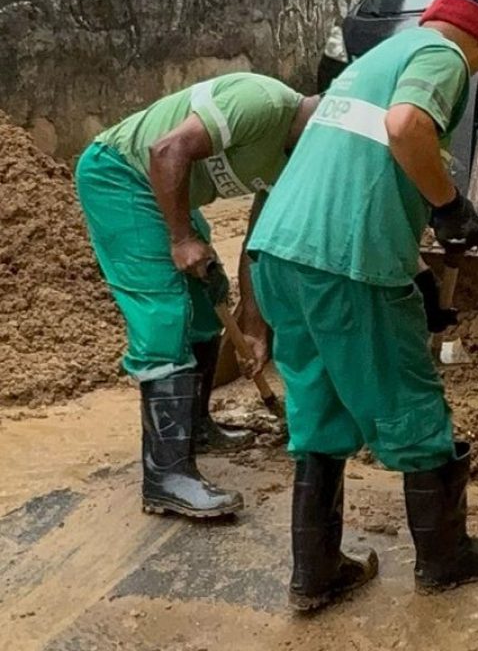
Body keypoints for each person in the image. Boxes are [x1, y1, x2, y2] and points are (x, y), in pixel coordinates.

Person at [247, 0, 478, 612]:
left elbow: (360, 167)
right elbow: (405, 128)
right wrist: (448, 206)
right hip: (346, 263)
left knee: (318, 409)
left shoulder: (374, 58)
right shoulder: (444, 55)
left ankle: (314, 573)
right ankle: (446, 559)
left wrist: (416, 275)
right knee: (408, 401)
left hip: (278, 253)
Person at [75, 74, 320, 520]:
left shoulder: (298, 161)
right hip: (120, 175)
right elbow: (166, 151)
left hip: (168, 190)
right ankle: (166, 476)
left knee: (209, 299)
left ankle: (195, 426)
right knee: (164, 312)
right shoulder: (260, 103)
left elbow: (258, 239)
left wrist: (253, 322)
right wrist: (181, 237)